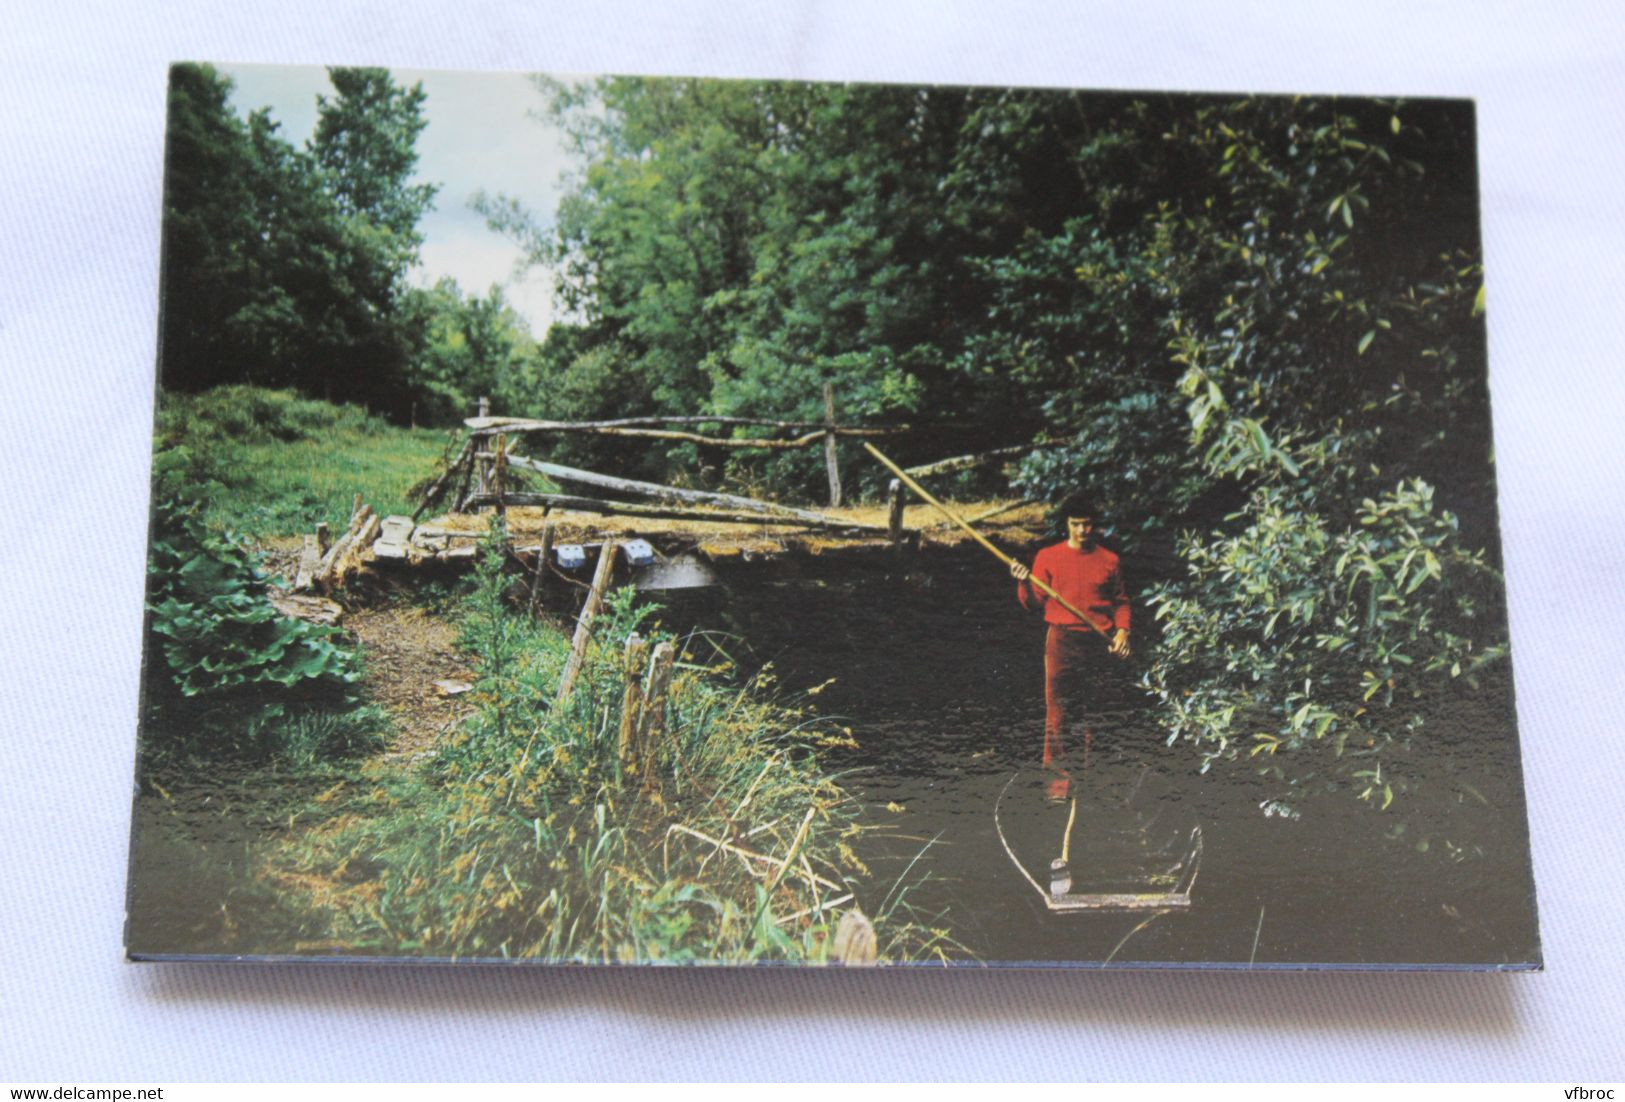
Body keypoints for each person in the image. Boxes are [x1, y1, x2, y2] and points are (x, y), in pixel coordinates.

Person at [1009, 493, 1132, 801]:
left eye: (1087, 524)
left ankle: (1094, 783)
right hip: (1062, 641)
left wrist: (1122, 633)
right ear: (1067, 525)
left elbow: (1121, 603)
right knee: (1058, 714)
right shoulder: (1048, 557)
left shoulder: (1109, 560)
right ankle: (1058, 785)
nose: (1082, 531)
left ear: (1095, 526)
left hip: (1098, 643)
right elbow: (1034, 604)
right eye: (1076, 525)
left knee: (1095, 714)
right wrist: (1024, 582)